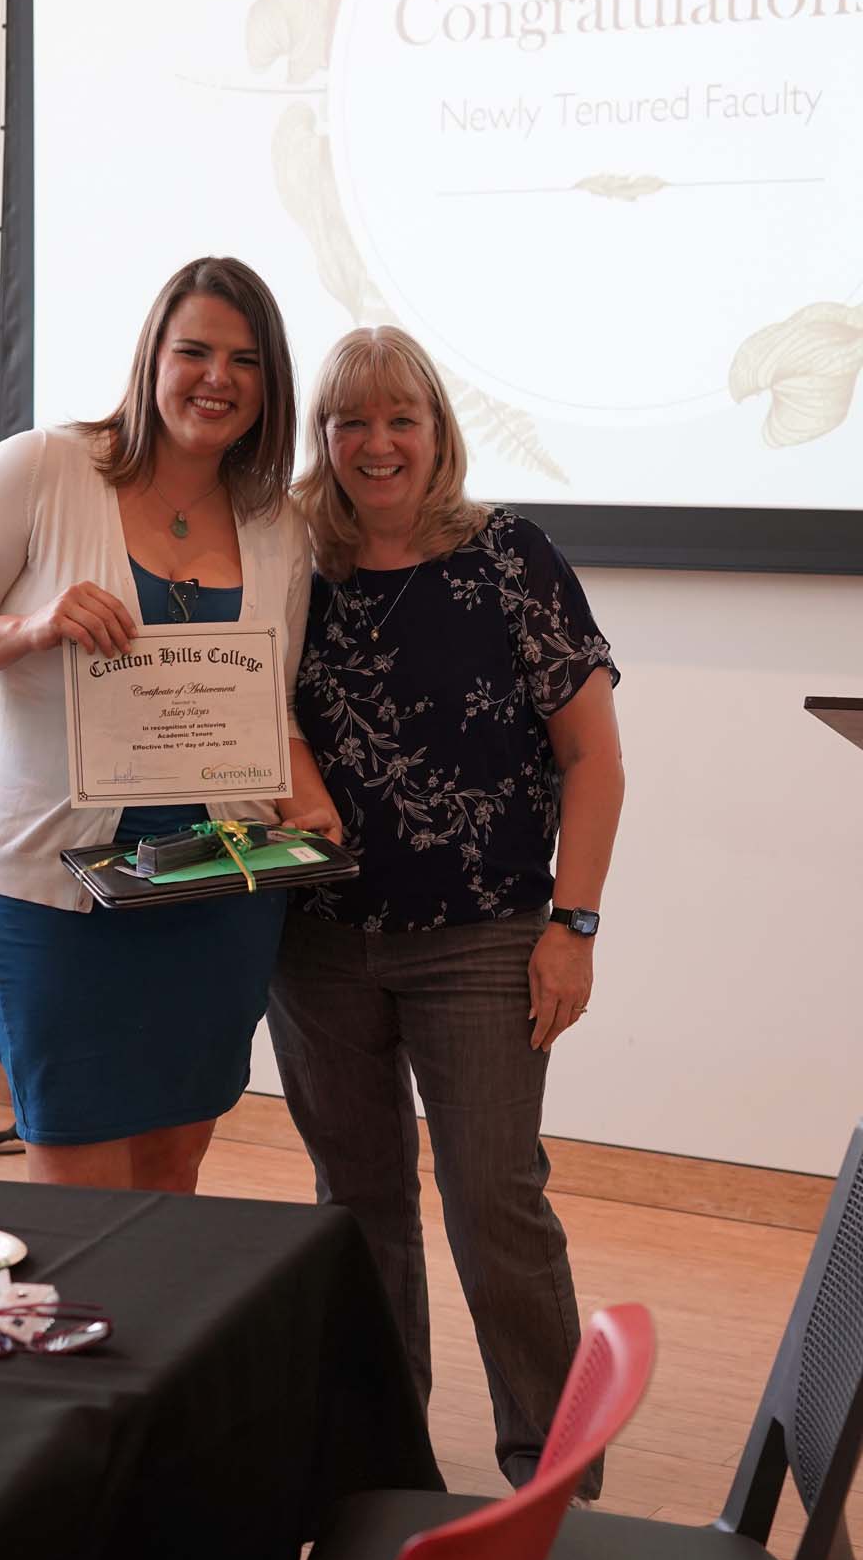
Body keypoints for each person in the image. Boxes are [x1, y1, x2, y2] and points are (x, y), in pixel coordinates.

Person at [0, 257, 334, 1191]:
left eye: (245, 360)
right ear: (149, 357)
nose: (218, 378)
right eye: (194, 351)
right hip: (54, 890)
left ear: (270, 383)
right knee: (75, 1167)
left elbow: (266, 707)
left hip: (221, 883)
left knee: (176, 1163)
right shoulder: (43, 469)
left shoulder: (276, 521)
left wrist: (312, 807)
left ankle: (158, 1344)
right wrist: (31, 627)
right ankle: (69, 1339)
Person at [267, 326, 623, 1497]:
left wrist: (572, 929)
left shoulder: (511, 557)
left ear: (437, 432)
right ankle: (383, 1463)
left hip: (483, 941)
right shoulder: (289, 568)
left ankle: (553, 1471)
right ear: (321, 438)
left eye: (400, 419)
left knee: (495, 1206)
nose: (377, 444)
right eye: (350, 421)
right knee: (354, 1207)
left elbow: (595, 764)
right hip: (316, 946)